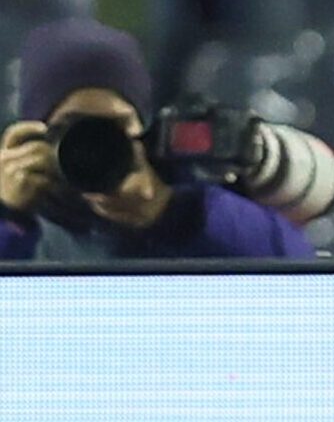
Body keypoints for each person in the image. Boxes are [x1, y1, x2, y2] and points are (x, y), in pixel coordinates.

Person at [1, 18, 314, 261]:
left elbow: (296, 269)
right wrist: (9, 215)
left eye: (114, 126)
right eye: (72, 126)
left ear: (143, 128)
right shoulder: (18, 203)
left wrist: (169, 214)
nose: (94, 143)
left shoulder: (181, 191)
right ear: (33, 133)